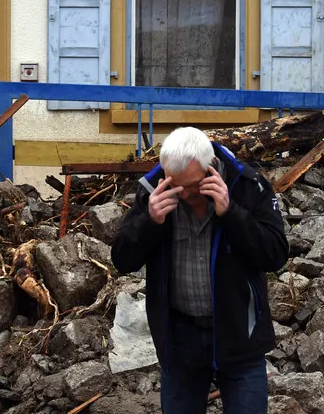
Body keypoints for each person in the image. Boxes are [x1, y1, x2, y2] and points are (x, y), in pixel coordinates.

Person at [111, 126, 289, 413]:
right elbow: (122, 260)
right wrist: (149, 222)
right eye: (176, 186)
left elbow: (275, 255)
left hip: (239, 337)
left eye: (194, 185)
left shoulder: (246, 185)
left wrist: (231, 214)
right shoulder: (153, 190)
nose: (185, 194)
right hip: (180, 341)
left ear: (212, 167)